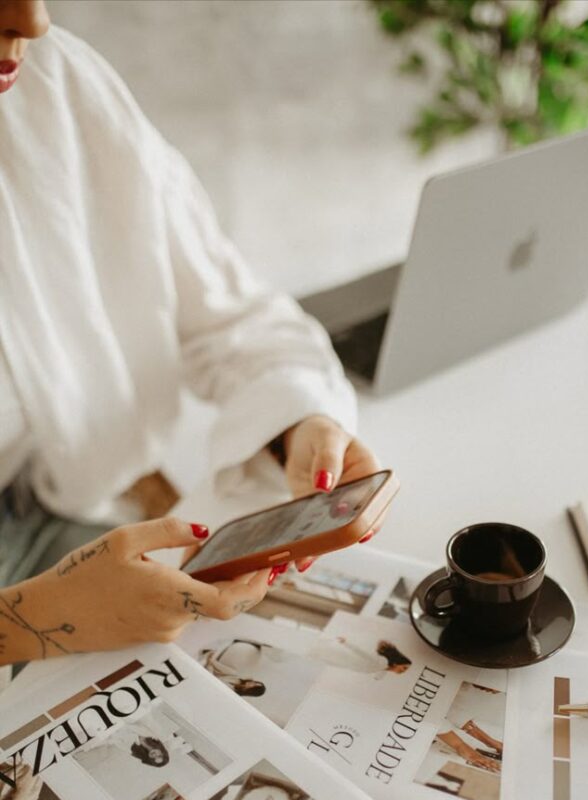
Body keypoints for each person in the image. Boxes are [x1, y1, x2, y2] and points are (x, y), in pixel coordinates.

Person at [0, 2, 384, 679]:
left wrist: (296, 422)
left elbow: (232, 316)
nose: (32, 21)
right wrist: (34, 620)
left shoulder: (57, 86)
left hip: (71, 503)